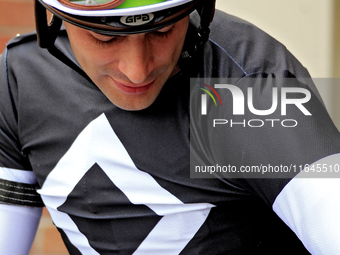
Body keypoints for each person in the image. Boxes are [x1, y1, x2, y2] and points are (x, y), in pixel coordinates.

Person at [1, 0, 340, 254]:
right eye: (104, 37)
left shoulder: (246, 88)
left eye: (162, 30)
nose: (137, 71)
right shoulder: (20, 82)